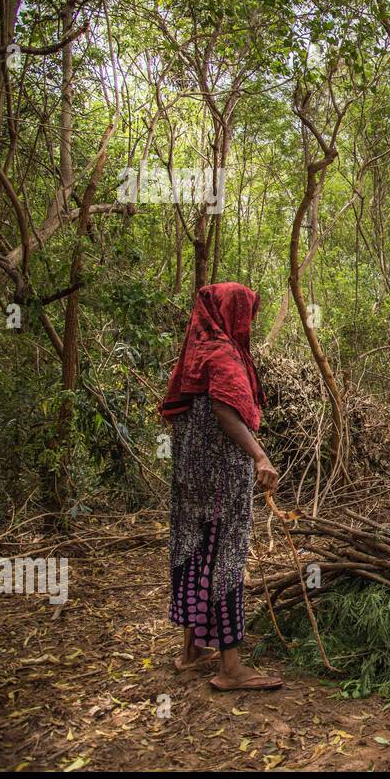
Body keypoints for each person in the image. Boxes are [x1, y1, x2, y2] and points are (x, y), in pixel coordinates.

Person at [160, 282, 282, 691]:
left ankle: (192, 650)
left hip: (190, 477)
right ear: (231, 312)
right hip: (221, 477)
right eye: (246, 312)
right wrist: (260, 456)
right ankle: (230, 668)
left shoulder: (195, 352)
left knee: (196, 549)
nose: (249, 320)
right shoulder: (224, 353)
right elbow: (224, 409)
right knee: (226, 557)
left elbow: (182, 410)